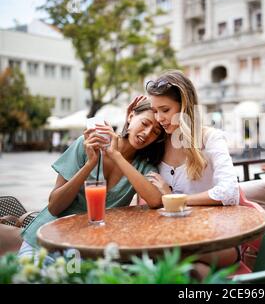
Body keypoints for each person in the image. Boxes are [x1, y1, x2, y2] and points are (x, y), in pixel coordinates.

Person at [18, 99, 165, 260]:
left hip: (87, 251)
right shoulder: (87, 144)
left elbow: (155, 201)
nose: (147, 133)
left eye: (156, 132)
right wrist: (89, 164)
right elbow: (54, 207)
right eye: (145, 123)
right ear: (130, 116)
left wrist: (117, 156)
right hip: (46, 243)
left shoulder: (143, 166)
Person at [136, 70, 240, 279]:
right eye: (155, 111)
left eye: (165, 110)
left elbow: (230, 192)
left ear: (184, 106)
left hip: (216, 238)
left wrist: (173, 200)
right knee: (192, 271)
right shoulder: (158, 144)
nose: (159, 118)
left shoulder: (211, 138)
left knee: (167, 260)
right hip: (174, 239)